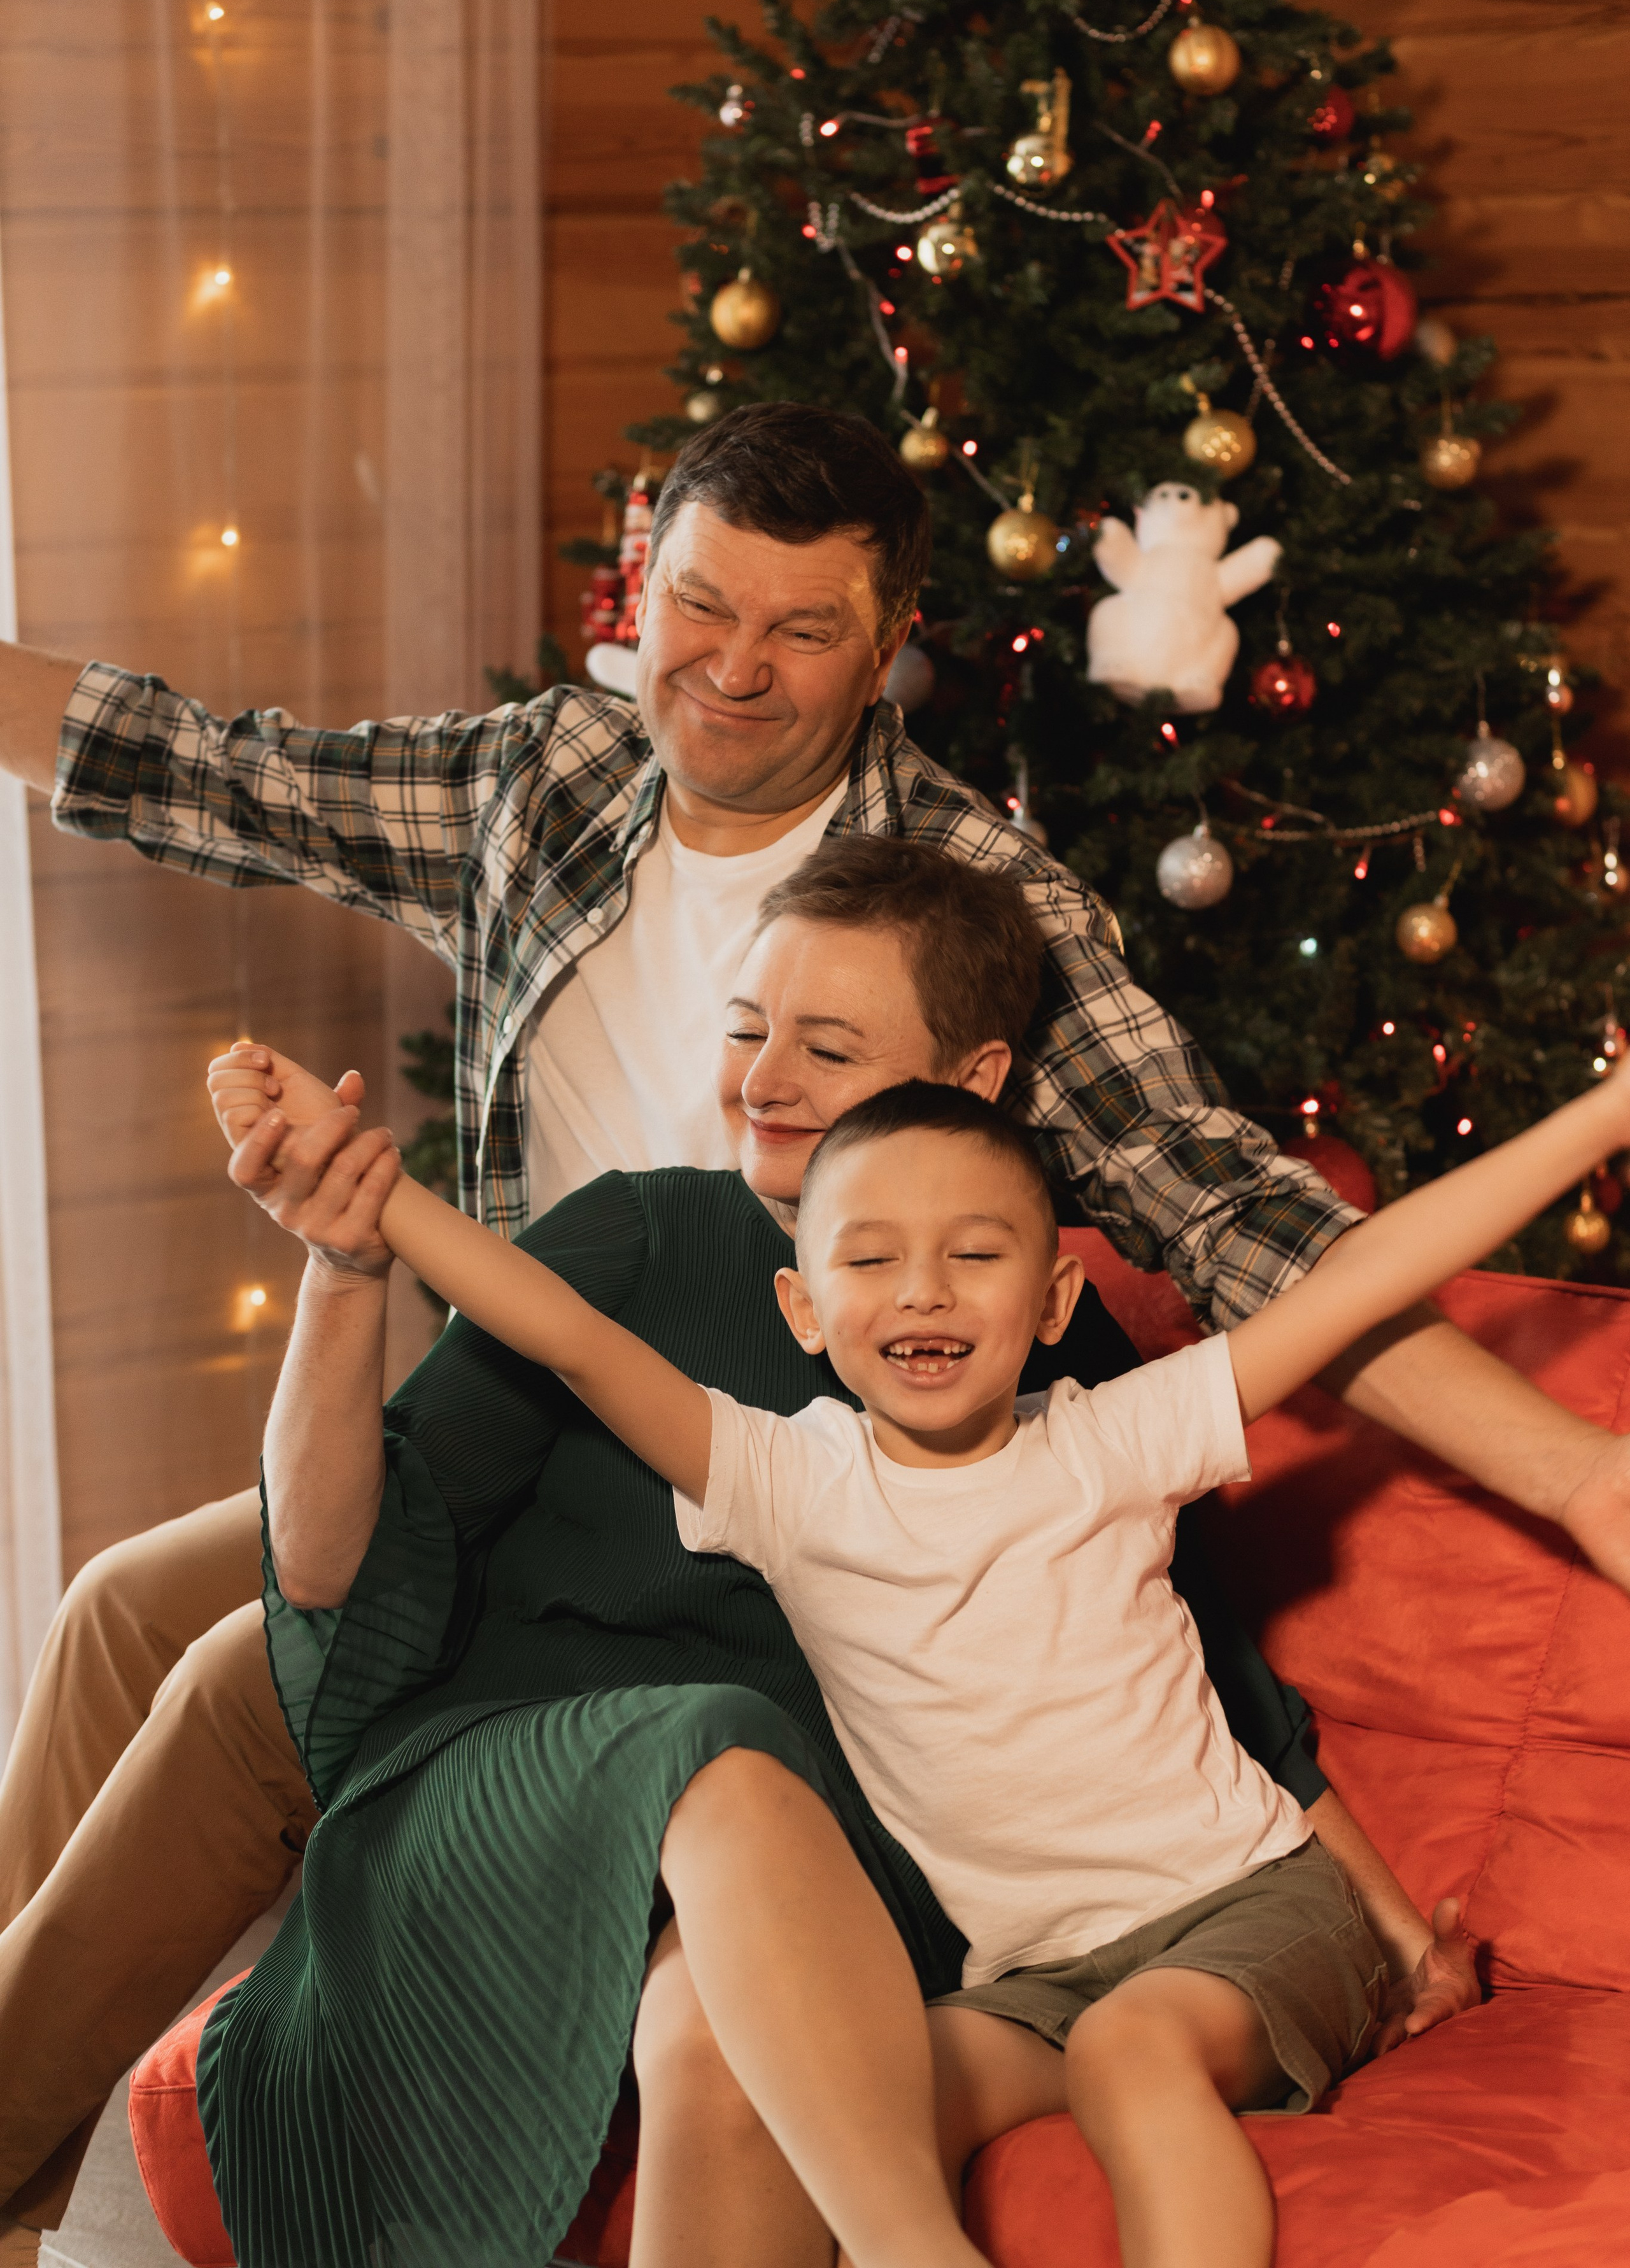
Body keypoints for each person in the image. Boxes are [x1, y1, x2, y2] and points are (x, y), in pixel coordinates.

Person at [0, 405, 1615, 2250]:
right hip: (551, 1423)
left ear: (889, 644)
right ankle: (25, 2179)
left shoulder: (968, 903)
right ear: (645, 588)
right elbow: (211, 772)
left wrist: (1575, 1478)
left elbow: (1234, 1230)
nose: (735, 669)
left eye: (805, 630)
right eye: (700, 607)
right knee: (127, 1609)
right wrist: (352, 1240)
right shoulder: (549, 780)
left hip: (784, 1509)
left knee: (247, 1680)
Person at [197, 846, 1470, 2268]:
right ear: (803, 1306)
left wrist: (1389, 1931)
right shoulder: (764, 1432)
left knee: (989, 2041)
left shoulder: (1091, 1416)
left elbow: (1221, 1665)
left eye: (828, 1047)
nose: (766, 1081)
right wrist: (357, 1207)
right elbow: (548, 1359)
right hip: (916, 1925)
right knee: (817, 2027)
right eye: (748, 1031)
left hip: (1124, 1915)